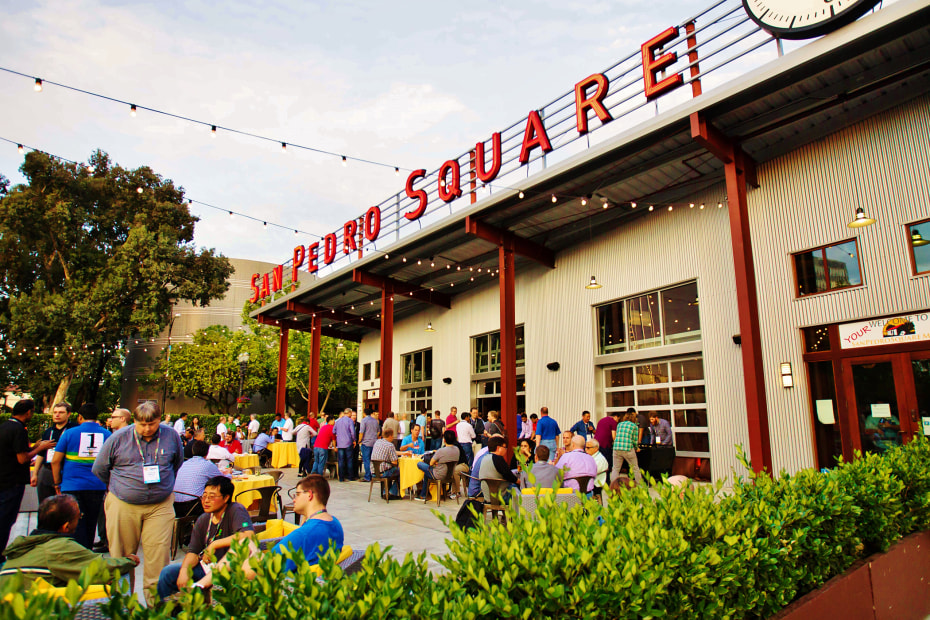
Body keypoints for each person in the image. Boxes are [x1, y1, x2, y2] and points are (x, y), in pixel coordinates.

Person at [91, 401, 184, 604]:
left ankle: (156, 608)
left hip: (159, 505)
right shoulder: (118, 438)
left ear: (160, 419)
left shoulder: (171, 436)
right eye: (142, 424)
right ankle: (124, 608)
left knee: (159, 557)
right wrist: (121, 487)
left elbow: (177, 464)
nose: (147, 428)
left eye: (152, 424)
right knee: (122, 558)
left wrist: (163, 487)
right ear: (134, 421)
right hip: (124, 503)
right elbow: (99, 469)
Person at [0, 495, 138, 590]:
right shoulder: (59, 547)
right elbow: (101, 568)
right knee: (117, 576)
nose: (80, 520)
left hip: (11, 606)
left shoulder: (25, 546)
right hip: (33, 609)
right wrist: (129, 560)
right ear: (66, 526)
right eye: (79, 517)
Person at [156, 476, 254, 600]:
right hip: (206, 568)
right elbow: (193, 552)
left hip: (229, 569)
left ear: (226, 498)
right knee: (168, 573)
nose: (206, 500)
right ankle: (163, 612)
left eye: (212, 497)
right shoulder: (203, 519)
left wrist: (214, 544)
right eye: (204, 496)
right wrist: (184, 570)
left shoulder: (235, 510)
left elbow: (247, 535)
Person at [0, 400, 56, 560]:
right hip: (12, 481)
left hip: (3, 478)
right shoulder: (19, 429)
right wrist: (40, 448)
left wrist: (34, 446)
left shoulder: (4, 426)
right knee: (6, 519)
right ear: (28, 413)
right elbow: (22, 458)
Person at [50, 403, 111, 549]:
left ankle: (75, 553)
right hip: (96, 485)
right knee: (91, 521)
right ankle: (87, 551)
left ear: (80, 417)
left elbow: (55, 461)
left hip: (72, 485)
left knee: (74, 522)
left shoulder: (70, 433)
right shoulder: (107, 434)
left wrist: (57, 483)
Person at [270, 475, 343, 572]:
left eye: (298, 494)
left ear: (309, 495)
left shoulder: (304, 534)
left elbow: (267, 565)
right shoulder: (335, 523)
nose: (294, 499)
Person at [32, 402, 77, 503]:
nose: (57, 415)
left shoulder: (73, 430)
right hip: (47, 470)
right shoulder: (48, 431)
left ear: (68, 414)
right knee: (45, 504)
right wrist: (35, 474)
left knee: (64, 504)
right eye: (55, 412)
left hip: (65, 471)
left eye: (61, 412)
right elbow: (41, 454)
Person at [173, 440, 226, 517]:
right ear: (207, 453)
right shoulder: (207, 465)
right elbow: (222, 479)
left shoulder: (183, 464)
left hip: (175, 505)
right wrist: (229, 474)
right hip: (193, 505)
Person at [415, 430, 460, 501]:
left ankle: (423, 494)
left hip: (438, 474)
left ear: (444, 440)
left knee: (419, 464)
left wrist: (436, 462)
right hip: (449, 475)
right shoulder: (457, 450)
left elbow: (431, 463)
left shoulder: (441, 451)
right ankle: (425, 494)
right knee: (427, 473)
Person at [478, 436, 519, 503]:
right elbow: (509, 476)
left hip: (487, 496)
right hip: (500, 496)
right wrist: (519, 481)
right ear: (498, 448)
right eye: (505, 447)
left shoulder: (485, 457)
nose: (506, 450)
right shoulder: (498, 459)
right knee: (517, 489)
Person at [612, 411, 643, 486]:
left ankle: (613, 486)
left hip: (616, 448)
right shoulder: (634, 426)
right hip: (627, 448)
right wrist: (636, 448)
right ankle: (640, 485)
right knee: (635, 468)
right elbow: (635, 440)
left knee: (616, 469)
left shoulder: (619, 424)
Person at [371, 429, 401, 498]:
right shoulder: (390, 445)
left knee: (390, 469)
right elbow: (394, 462)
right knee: (401, 471)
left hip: (374, 472)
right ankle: (392, 492)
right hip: (383, 473)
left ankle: (385, 492)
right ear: (390, 436)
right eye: (392, 436)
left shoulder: (377, 442)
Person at [594, 411, 621, 481]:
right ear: (616, 417)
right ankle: (607, 481)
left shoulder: (601, 420)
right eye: (618, 419)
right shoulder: (613, 422)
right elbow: (614, 436)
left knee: (599, 462)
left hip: (596, 444)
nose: (617, 421)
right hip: (605, 445)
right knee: (607, 463)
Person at [333, 409, 356, 482]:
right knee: (349, 460)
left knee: (341, 460)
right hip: (348, 442)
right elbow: (353, 432)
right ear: (349, 413)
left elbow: (333, 431)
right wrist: (354, 440)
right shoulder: (350, 421)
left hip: (340, 443)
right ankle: (350, 476)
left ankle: (341, 477)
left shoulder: (338, 421)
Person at [358, 408, 380, 482]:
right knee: (373, 459)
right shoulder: (375, 421)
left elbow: (361, 431)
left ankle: (367, 476)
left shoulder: (364, 420)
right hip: (374, 442)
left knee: (366, 459)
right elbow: (378, 431)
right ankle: (374, 474)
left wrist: (359, 440)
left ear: (364, 413)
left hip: (366, 442)